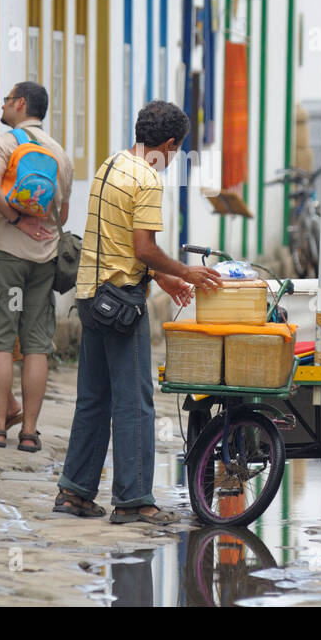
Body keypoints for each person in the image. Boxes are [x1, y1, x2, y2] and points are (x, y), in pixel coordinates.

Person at [54, 101, 222, 523]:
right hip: (122, 304)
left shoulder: (110, 166)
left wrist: (164, 279)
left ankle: (74, 492)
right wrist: (186, 271)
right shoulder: (147, 179)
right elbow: (143, 248)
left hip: (91, 297)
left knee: (93, 400)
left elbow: (118, 243)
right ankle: (134, 500)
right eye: (176, 152)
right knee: (134, 402)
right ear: (168, 144)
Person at [0, 82, 74, 451]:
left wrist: (15, 220)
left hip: (5, 254)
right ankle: (29, 432)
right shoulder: (60, 154)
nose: (2, 106)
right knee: (36, 344)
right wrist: (40, 225)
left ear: (19, 103)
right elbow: (61, 213)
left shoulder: (5, 144)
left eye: (6, 100)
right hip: (45, 258)